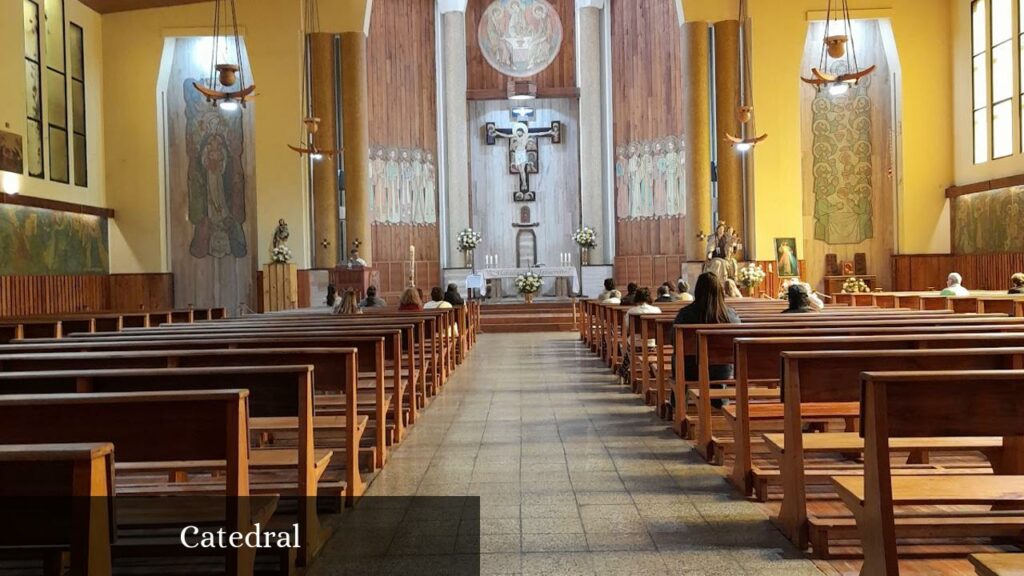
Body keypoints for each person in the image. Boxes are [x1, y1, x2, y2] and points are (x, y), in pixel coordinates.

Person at [673, 272, 741, 409]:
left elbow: (673, 341)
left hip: (690, 370)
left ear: (697, 290)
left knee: (677, 356)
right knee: (718, 363)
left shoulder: (685, 314)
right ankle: (720, 401)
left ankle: (678, 404)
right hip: (722, 370)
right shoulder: (731, 315)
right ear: (720, 291)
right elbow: (740, 339)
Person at [618, 288, 662, 381]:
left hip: (636, 345)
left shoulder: (632, 311)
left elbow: (627, 328)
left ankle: (623, 373)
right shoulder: (657, 310)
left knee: (629, 349)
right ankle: (652, 372)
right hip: (652, 345)